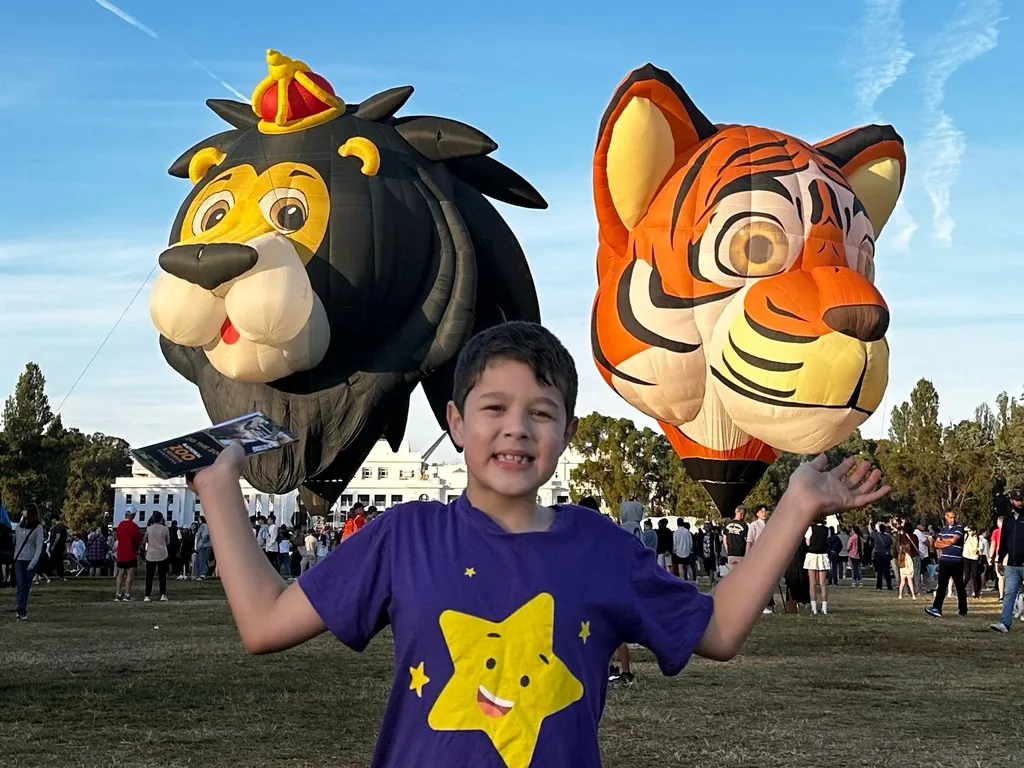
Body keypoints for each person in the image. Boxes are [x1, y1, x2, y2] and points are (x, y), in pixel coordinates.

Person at [186, 320, 888, 767]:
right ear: (457, 422)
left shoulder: (601, 548)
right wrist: (220, 493)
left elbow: (721, 628)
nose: (516, 429)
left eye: (540, 413)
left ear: (568, 435)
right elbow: (265, 621)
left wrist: (796, 507)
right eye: (494, 409)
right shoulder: (405, 537)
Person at [991, 489, 1024, 633]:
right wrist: (999, 558)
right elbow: (1004, 541)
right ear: (1011, 501)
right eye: (1017, 500)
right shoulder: (1008, 520)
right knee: (1009, 594)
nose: (1020, 502)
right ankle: (1005, 623)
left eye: (1021, 499)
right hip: (1012, 564)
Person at [926, 511, 968, 619]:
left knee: (959, 586)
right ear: (946, 517)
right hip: (944, 561)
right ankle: (937, 608)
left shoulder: (959, 528)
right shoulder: (944, 530)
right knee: (941, 586)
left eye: (954, 517)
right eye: (950, 517)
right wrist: (947, 542)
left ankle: (963, 610)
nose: (952, 519)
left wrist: (943, 542)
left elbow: (954, 541)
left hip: (956, 561)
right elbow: (936, 544)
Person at [12, 504, 45, 620]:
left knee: (26, 586)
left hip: (30, 560)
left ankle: (22, 608)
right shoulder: (19, 527)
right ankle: (20, 609)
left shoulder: (38, 528)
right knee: (21, 586)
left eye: (24, 510)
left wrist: (33, 562)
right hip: (19, 560)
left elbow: (38, 547)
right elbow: (15, 542)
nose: (22, 512)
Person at [114, 508, 143, 602]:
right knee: (130, 574)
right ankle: (127, 594)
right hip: (130, 552)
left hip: (121, 553)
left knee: (120, 574)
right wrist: (136, 547)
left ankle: (118, 594)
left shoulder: (120, 525)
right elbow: (138, 539)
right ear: (133, 515)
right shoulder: (134, 526)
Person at [804, 517, 831, 615]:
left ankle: (814, 607)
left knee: (812, 584)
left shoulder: (810, 528)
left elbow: (807, 542)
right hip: (823, 555)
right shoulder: (827, 529)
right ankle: (824, 607)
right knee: (823, 584)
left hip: (812, 555)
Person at [143, 511, 171, 602]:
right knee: (162, 576)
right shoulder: (165, 529)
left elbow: (145, 540)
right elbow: (167, 541)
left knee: (149, 576)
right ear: (161, 519)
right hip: (162, 553)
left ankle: (147, 595)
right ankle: (163, 594)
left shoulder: (149, 529)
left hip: (151, 554)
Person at [722, 506, 748, 574]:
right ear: (741, 514)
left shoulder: (727, 524)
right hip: (741, 553)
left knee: (732, 574)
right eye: (742, 514)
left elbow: (724, 538)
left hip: (731, 553)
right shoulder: (744, 525)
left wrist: (727, 549)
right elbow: (746, 539)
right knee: (741, 574)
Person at [896, 522, 917, 600]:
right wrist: (912, 572)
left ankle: (900, 595)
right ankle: (913, 595)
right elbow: (910, 564)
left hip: (902, 570)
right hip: (908, 571)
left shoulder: (900, 555)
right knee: (910, 583)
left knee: (902, 583)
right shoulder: (908, 556)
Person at [872, 523, 893, 591]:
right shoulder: (888, 537)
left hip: (878, 554)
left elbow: (871, 532)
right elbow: (890, 544)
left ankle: (879, 586)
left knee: (879, 572)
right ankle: (889, 586)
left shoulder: (876, 536)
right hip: (886, 554)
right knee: (887, 571)